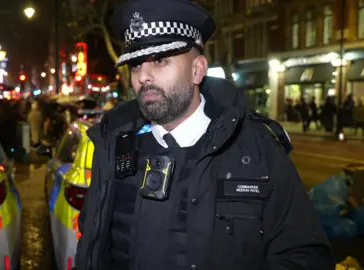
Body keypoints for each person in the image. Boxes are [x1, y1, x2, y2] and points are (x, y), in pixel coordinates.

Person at [74, 0, 335, 269]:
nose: (144, 77)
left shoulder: (257, 147)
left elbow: (305, 255)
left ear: (197, 70)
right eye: (136, 65)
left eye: (161, 61)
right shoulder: (113, 145)